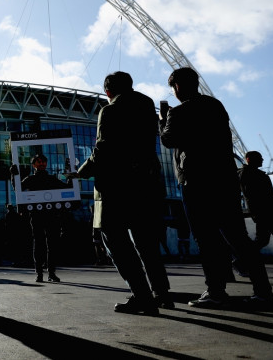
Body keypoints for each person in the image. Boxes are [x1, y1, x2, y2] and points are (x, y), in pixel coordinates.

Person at [159, 66, 273, 306]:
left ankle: (215, 291)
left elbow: (169, 140)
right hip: (224, 179)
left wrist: (163, 121)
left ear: (177, 87)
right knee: (237, 236)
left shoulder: (179, 112)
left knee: (205, 238)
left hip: (196, 182)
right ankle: (263, 290)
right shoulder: (216, 105)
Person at [76, 71, 171, 314]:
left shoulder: (110, 110)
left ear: (107, 91)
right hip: (146, 185)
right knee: (146, 243)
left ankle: (142, 296)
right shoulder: (146, 106)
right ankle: (161, 293)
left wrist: (82, 171)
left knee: (116, 242)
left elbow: (103, 149)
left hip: (117, 188)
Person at [19, 154, 68, 283]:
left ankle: (51, 273)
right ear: (34, 165)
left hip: (52, 215)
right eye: (38, 162)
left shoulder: (52, 179)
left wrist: (71, 173)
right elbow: (18, 190)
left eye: (43, 162)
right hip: (36, 215)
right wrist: (13, 176)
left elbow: (67, 188)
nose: (41, 164)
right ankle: (39, 273)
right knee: (39, 244)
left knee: (52, 245)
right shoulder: (29, 179)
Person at [238, 150, 273, 266]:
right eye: (259, 158)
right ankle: (241, 260)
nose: (262, 160)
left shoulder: (251, 173)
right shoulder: (249, 174)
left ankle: (241, 260)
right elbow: (255, 194)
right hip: (264, 211)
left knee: (262, 240)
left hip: (263, 211)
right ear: (249, 159)